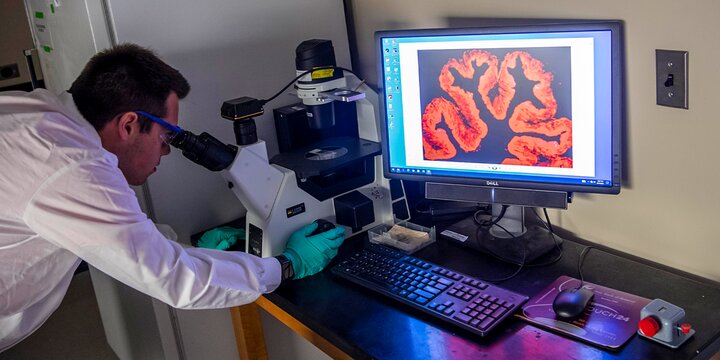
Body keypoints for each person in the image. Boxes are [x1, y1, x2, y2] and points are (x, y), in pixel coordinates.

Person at [0, 43, 346, 351]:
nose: (166, 152)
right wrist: (285, 266)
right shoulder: (69, 163)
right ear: (129, 125)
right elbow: (175, 280)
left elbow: (118, 235)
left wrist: (185, 249)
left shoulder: (38, 113)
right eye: (166, 136)